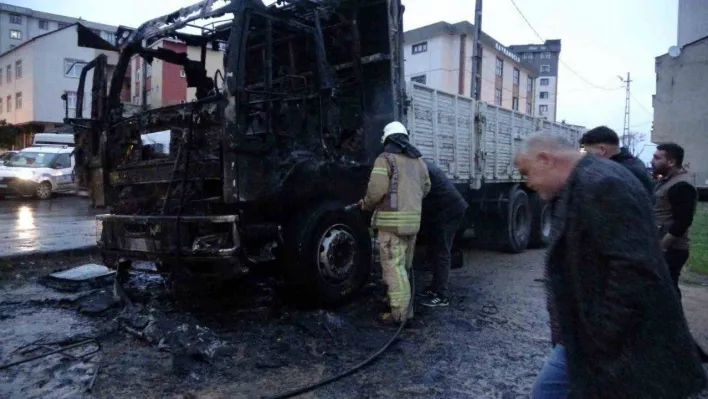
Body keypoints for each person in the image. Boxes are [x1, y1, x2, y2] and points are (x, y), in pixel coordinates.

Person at [513, 133, 706, 399]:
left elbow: (634, 271)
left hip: (616, 338)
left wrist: (600, 336)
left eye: (528, 172)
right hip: (590, 334)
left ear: (545, 159)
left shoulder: (601, 184)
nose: (528, 183)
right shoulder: (584, 182)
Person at [358, 121, 431, 325]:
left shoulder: (385, 159)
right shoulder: (419, 162)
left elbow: (376, 191)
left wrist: (366, 205)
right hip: (413, 224)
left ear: (388, 140)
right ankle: (397, 302)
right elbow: (426, 188)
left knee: (393, 267)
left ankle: (399, 314)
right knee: (404, 267)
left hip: (391, 226)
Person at [418, 159, 468, 307]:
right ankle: (434, 288)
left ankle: (441, 296)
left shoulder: (418, 168)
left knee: (442, 252)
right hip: (442, 211)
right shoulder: (420, 164)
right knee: (435, 249)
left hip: (449, 211)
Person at [651, 142, 698, 295]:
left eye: (657, 158)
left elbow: (683, 222)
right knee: (661, 289)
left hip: (672, 250)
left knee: (667, 290)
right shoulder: (667, 179)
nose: (652, 161)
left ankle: (674, 319)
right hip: (664, 246)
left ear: (671, 162)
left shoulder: (681, 185)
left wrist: (662, 247)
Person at [579, 125, 654, 195]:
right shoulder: (631, 165)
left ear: (602, 150)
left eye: (588, 153)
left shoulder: (616, 174)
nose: (586, 157)